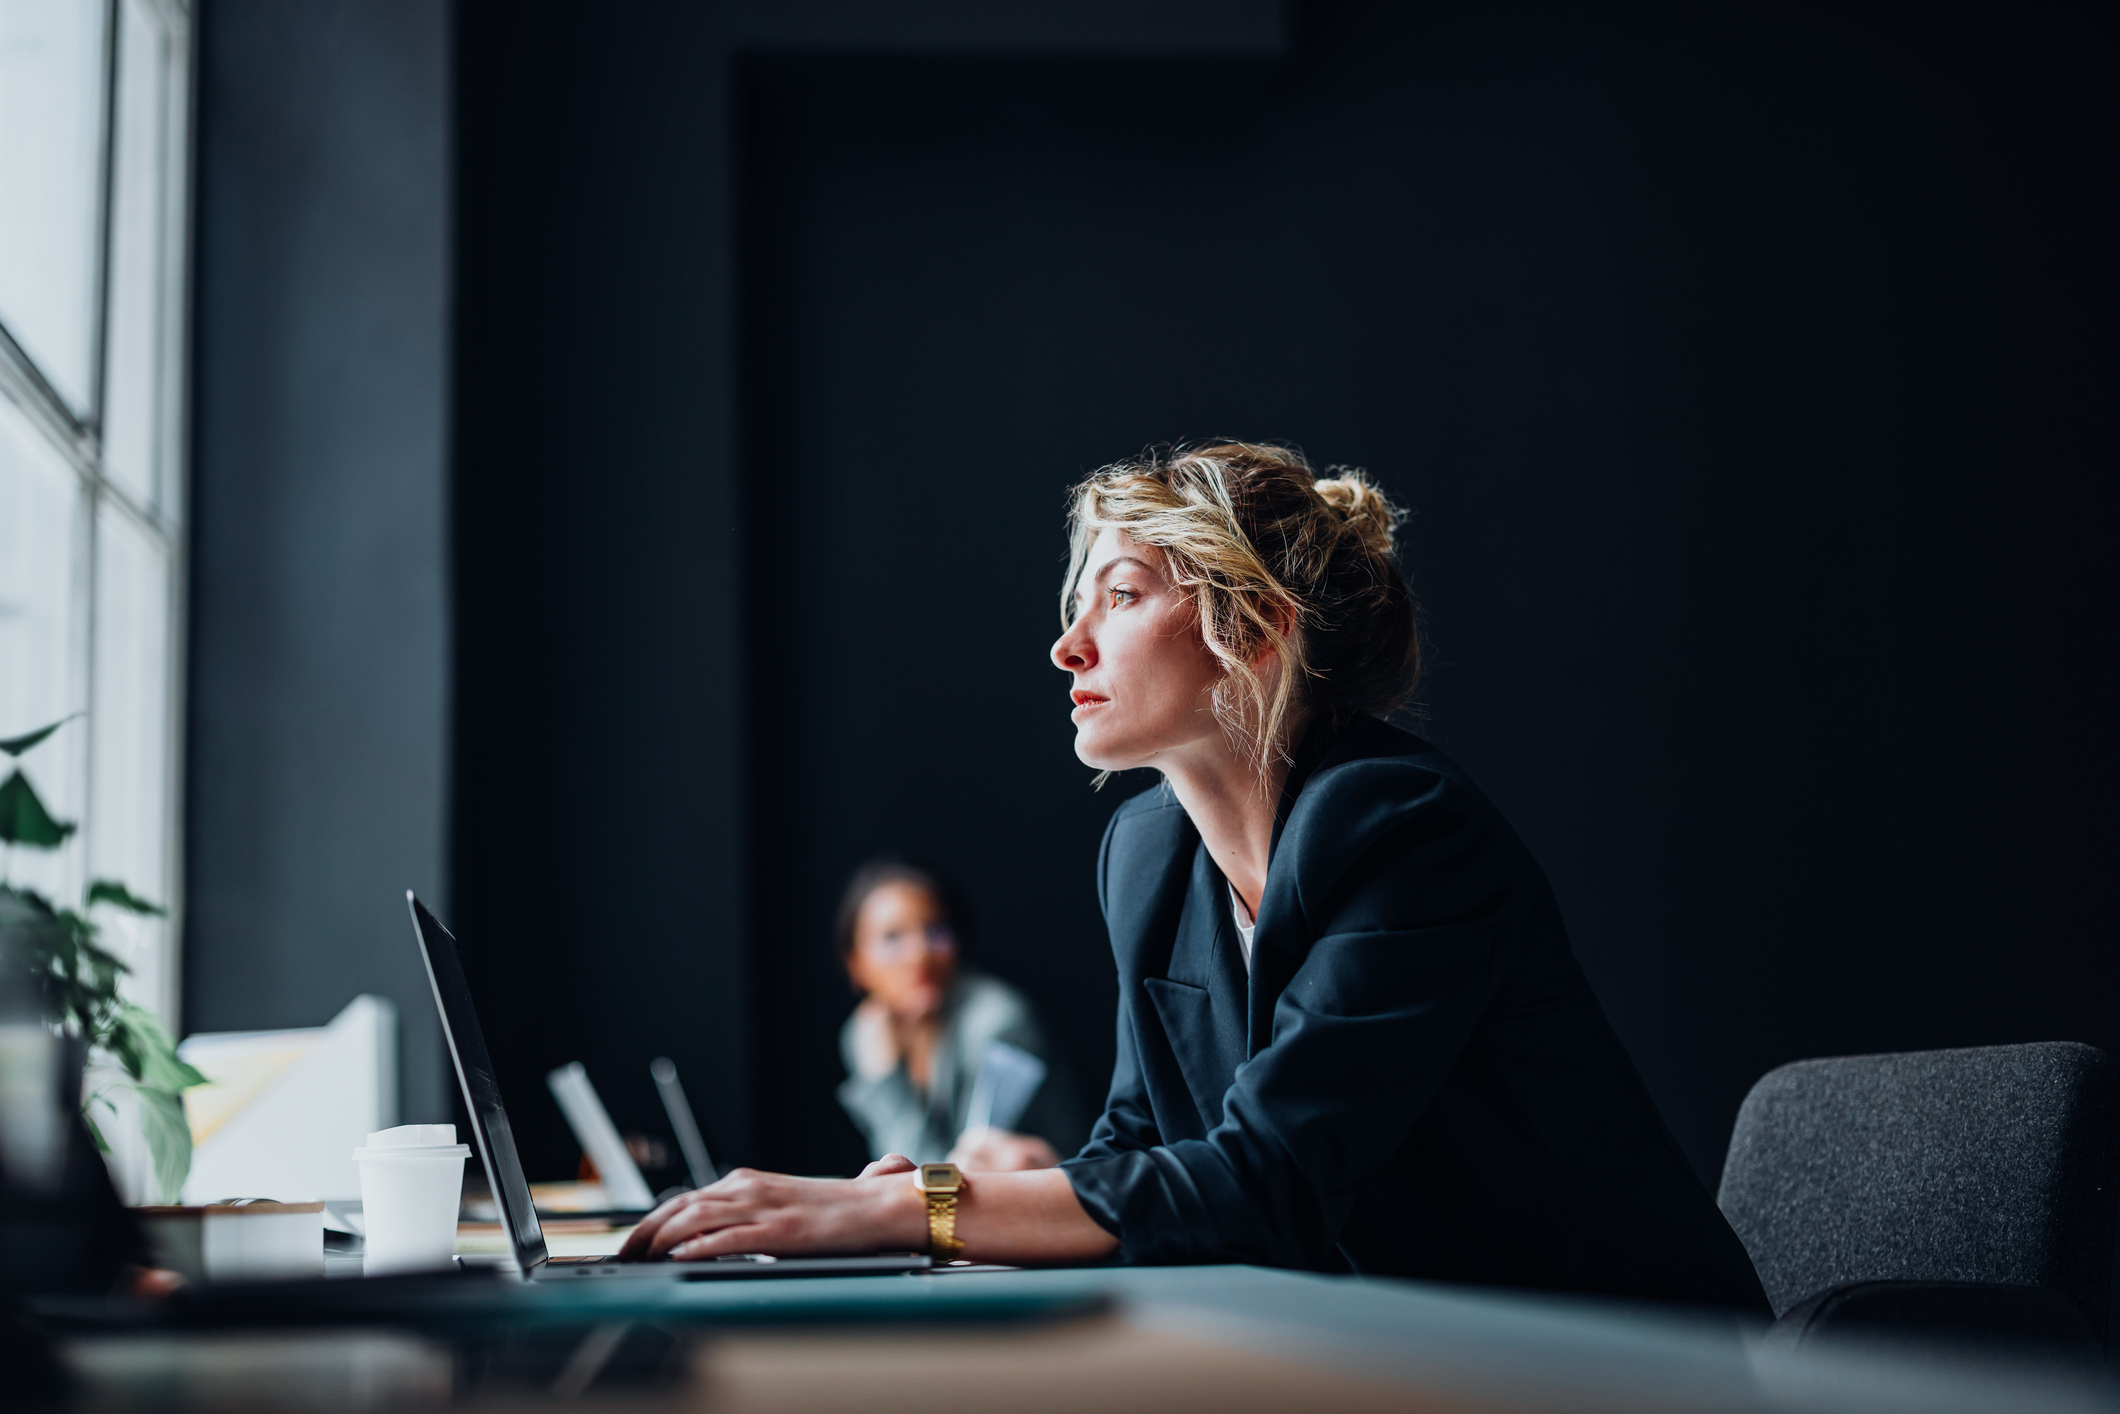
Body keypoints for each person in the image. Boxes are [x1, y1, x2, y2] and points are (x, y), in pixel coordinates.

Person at [623, 442, 1769, 1311]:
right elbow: (1141, 1146)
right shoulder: (1145, 852)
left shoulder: (1402, 829)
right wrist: (950, 1186)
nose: (1069, 645)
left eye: (1118, 596)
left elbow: (1268, 1181)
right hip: (1384, 1343)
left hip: (1610, 1356)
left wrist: (906, 1211)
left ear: (1253, 627)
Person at [833, 858, 1084, 1171]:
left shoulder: (998, 1023)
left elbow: (944, 1183)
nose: (919, 953)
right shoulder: (866, 1032)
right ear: (855, 964)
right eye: (892, 938)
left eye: (935, 931)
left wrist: (886, 1080)